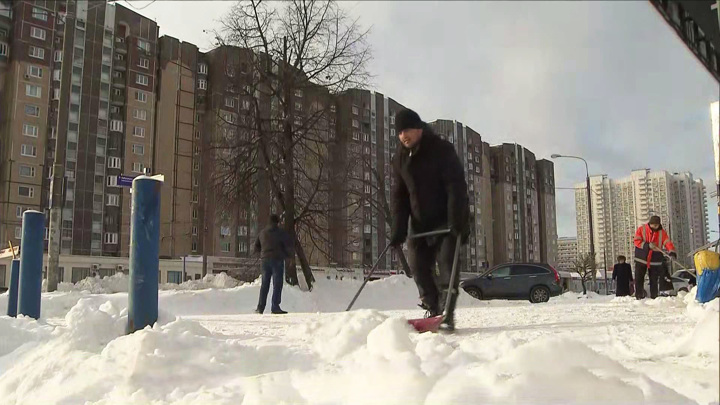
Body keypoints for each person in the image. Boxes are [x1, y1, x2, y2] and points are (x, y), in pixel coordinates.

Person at [389, 108, 470, 332]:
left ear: (419, 128)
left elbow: (456, 187)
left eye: (407, 130)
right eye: (399, 132)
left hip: (447, 221)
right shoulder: (400, 159)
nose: (403, 135)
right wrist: (398, 229)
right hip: (419, 223)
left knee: (447, 266)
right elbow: (400, 196)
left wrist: (457, 221)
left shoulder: (442, 150)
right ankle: (433, 309)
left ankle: (447, 314)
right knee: (418, 267)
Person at [254, 214, 293, 314]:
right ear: (277, 222)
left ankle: (260, 308)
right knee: (277, 284)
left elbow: (256, 247)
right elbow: (287, 246)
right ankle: (275, 306)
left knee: (264, 284)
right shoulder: (281, 233)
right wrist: (287, 256)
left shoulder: (262, 233)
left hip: (265, 261)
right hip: (277, 260)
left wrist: (263, 253)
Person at [633, 215, 676, 299]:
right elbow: (636, 241)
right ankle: (638, 296)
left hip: (654, 260)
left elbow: (667, 242)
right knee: (639, 278)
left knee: (654, 280)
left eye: (656, 225)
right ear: (650, 223)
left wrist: (672, 252)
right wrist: (647, 245)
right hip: (641, 258)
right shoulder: (642, 229)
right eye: (653, 225)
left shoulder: (662, 232)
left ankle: (654, 297)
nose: (654, 227)